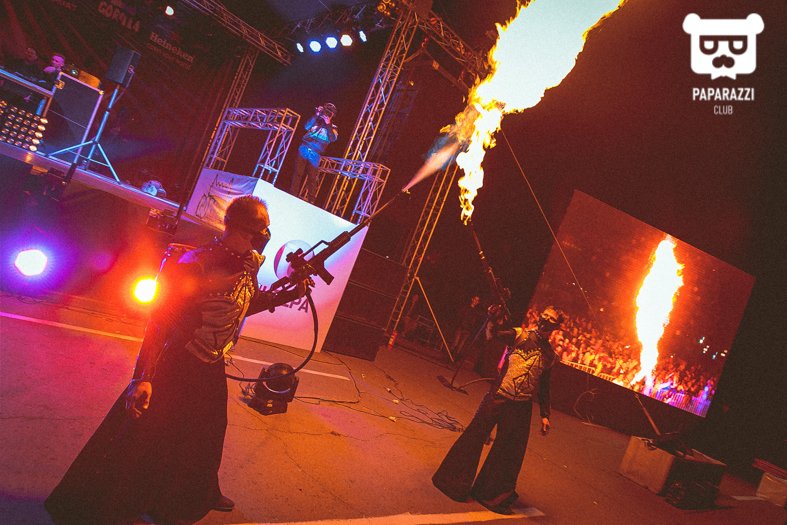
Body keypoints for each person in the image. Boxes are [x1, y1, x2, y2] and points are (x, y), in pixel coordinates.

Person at [45, 195, 309, 525]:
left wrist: (292, 291)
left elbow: (244, 303)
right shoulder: (195, 263)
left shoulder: (249, 263)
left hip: (211, 363)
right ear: (238, 228)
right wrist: (143, 376)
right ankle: (101, 506)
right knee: (144, 435)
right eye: (259, 229)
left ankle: (195, 495)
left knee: (207, 434)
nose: (265, 235)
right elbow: (160, 321)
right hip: (178, 362)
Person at [432, 305, 565, 515]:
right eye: (544, 315)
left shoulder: (550, 355)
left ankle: (491, 494)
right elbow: (493, 335)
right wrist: (493, 318)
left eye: (550, 318)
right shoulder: (520, 335)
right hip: (498, 396)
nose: (544, 319)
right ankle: (452, 482)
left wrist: (545, 415)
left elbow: (544, 387)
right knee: (475, 436)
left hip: (521, 406)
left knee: (508, 451)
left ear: (556, 326)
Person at [289, 103, 338, 204]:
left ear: (333, 115)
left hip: (316, 153)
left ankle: (311, 201)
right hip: (304, 147)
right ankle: (292, 195)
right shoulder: (316, 120)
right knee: (298, 172)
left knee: (312, 177)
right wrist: (316, 115)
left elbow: (333, 138)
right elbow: (306, 126)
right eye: (326, 110)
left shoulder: (333, 127)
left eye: (329, 112)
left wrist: (328, 124)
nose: (327, 113)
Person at [449, 294, 483, 359]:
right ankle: (449, 355)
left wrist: (471, 327)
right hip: (461, 327)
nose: (476, 301)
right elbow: (461, 315)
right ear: (472, 299)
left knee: (461, 345)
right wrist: (460, 324)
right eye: (475, 299)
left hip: (467, 330)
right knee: (455, 342)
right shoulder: (466, 307)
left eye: (477, 300)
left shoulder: (476, 311)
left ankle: (455, 357)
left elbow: (475, 320)